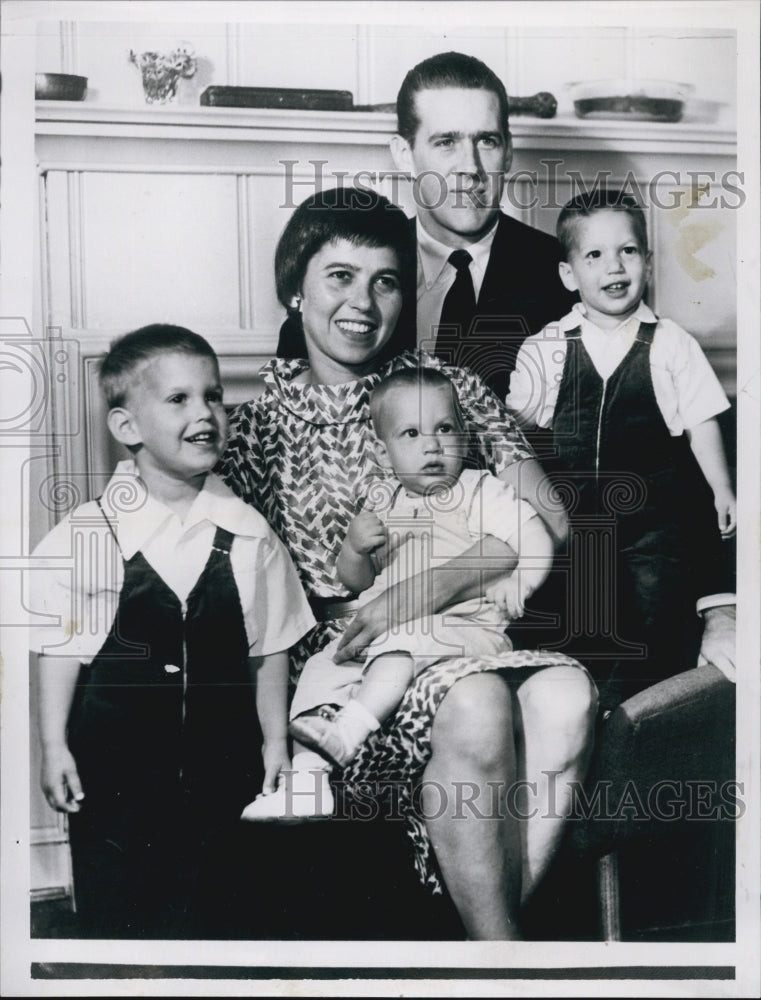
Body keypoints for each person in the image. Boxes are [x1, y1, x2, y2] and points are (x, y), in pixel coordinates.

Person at [220, 186, 598, 940]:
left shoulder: (444, 387)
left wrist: (431, 585)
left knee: (567, 697)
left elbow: (549, 519)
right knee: (480, 702)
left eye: (385, 279)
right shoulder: (256, 428)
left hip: (466, 624)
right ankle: (505, 960)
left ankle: (492, 943)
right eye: (339, 276)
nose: (363, 301)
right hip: (348, 669)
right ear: (295, 289)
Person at [31, 325, 315, 938]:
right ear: (127, 427)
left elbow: (270, 651)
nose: (206, 413)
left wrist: (274, 743)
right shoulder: (92, 532)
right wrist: (54, 745)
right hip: (115, 783)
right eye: (179, 399)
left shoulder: (249, 532)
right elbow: (61, 649)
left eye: (213, 396)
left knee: (226, 914)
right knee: (125, 921)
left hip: (225, 773)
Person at [506, 189, 736, 709]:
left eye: (628, 251)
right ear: (569, 275)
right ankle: (573, 709)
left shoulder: (672, 342)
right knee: (566, 613)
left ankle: (632, 717)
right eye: (594, 255)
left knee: (657, 608)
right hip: (572, 519)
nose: (614, 265)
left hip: (652, 521)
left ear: (648, 263)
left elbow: (701, 421)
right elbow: (514, 434)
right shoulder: (546, 347)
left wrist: (722, 488)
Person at [282, 367, 554, 777]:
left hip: (464, 632)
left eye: (444, 428)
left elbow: (535, 533)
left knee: (406, 643)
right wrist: (355, 548)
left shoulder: (479, 490)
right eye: (411, 434)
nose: (431, 446)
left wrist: (523, 580)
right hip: (389, 636)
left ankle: (350, 730)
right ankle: (306, 780)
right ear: (382, 450)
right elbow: (356, 582)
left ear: (463, 436)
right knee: (323, 667)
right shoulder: (384, 501)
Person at [277, 51, 576, 406]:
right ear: (405, 154)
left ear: (508, 152)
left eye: (487, 141)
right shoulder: (343, 280)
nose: (471, 167)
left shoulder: (568, 276)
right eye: (446, 142)